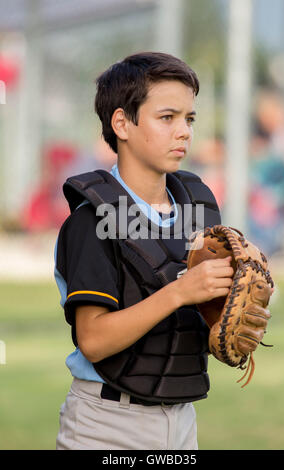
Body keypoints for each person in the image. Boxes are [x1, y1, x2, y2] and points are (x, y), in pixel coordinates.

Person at [54, 52, 234, 450]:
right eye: (167, 118)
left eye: (189, 119)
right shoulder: (93, 219)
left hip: (182, 419)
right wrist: (181, 292)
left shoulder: (198, 208)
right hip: (106, 424)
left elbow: (195, 327)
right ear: (122, 123)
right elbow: (94, 340)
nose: (184, 132)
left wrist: (235, 308)